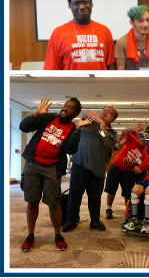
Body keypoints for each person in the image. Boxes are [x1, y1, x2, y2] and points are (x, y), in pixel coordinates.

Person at [19, 98, 81, 252]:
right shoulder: (48, 117)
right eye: (65, 105)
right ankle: (30, 235)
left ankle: (58, 235)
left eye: (70, 107)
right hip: (33, 164)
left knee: (54, 203)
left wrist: (79, 130)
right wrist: (35, 115)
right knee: (32, 200)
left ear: (76, 113)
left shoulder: (73, 128)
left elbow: (70, 150)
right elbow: (23, 127)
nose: (65, 108)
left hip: (52, 168)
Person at [63, 106, 119, 232]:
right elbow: (87, 111)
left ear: (113, 119)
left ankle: (95, 221)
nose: (106, 112)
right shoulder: (90, 120)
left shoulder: (112, 133)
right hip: (80, 164)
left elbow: (117, 145)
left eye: (110, 113)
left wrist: (124, 140)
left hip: (98, 168)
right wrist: (101, 122)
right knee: (75, 195)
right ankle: (71, 219)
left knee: (95, 197)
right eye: (105, 109)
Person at [44, 0, 115, 70]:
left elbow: (111, 65)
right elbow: (52, 68)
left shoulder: (105, 31)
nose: (82, 7)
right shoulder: (58, 33)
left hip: (99, 83)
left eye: (85, 2)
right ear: (69, 5)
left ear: (91, 4)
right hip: (70, 83)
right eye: (76, 3)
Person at [104, 124, 149, 219]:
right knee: (111, 189)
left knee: (128, 192)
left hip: (128, 172)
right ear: (140, 137)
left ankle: (129, 210)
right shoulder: (132, 140)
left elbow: (139, 168)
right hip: (116, 168)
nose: (144, 140)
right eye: (143, 137)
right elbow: (124, 130)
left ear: (148, 143)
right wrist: (133, 129)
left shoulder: (144, 154)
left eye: (147, 140)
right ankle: (108, 209)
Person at [115, 5, 149, 70]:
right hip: (130, 80)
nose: (145, 24)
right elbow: (120, 71)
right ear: (132, 23)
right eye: (140, 21)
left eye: (147, 20)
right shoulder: (122, 43)